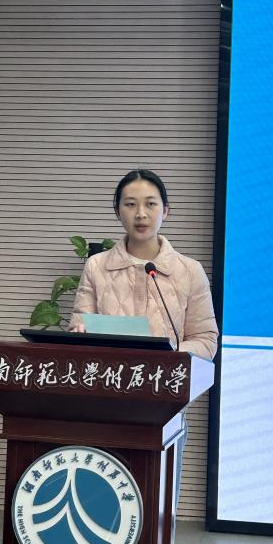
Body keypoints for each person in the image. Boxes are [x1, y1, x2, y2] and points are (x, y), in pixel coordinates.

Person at [68, 168, 219, 508]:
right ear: (117, 210)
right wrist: (79, 335)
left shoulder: (189, 271)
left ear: (166, 210)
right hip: (105, 405)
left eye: (150, 204)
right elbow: (80, 325)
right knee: (101, 504)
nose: (140, 214)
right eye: (130, 204)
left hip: (162, 407)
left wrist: (167, 357)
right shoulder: (96, 267)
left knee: (155, 508)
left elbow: (206, 339)